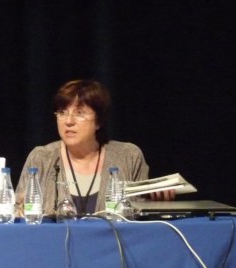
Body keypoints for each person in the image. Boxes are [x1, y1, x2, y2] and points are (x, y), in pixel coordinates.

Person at [15, 79, 173, 217]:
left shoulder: (128, 156)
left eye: (79, 113)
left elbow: (140, 215)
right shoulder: (41, 158)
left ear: (99, 121)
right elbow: (16, 213)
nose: (68, 121)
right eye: (62, 113)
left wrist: (158, 201)